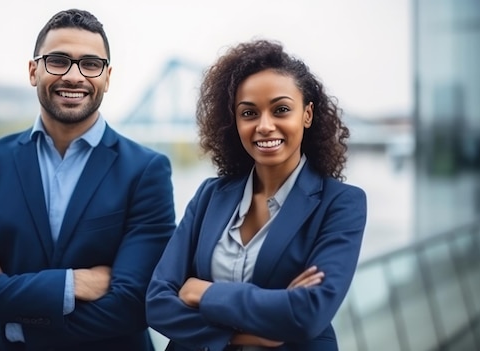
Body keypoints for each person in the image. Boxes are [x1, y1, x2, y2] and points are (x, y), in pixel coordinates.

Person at [0, 9, 176, 351]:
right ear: (34, 71)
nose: (75, 76)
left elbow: (133, 305)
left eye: (91, 64)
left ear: (107, 77)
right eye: (58, 61)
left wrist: (7, 305)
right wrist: (69, 284)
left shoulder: (146, 171)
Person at [146, 39, 367, 351]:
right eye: (249, 113)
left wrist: (203, 293)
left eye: (281, 110)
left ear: (307, 114)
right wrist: (245, 332)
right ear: (234, 121)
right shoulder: (210, 196)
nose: (264, 126)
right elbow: (157, 303)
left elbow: (307, 313)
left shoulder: (341, 203)